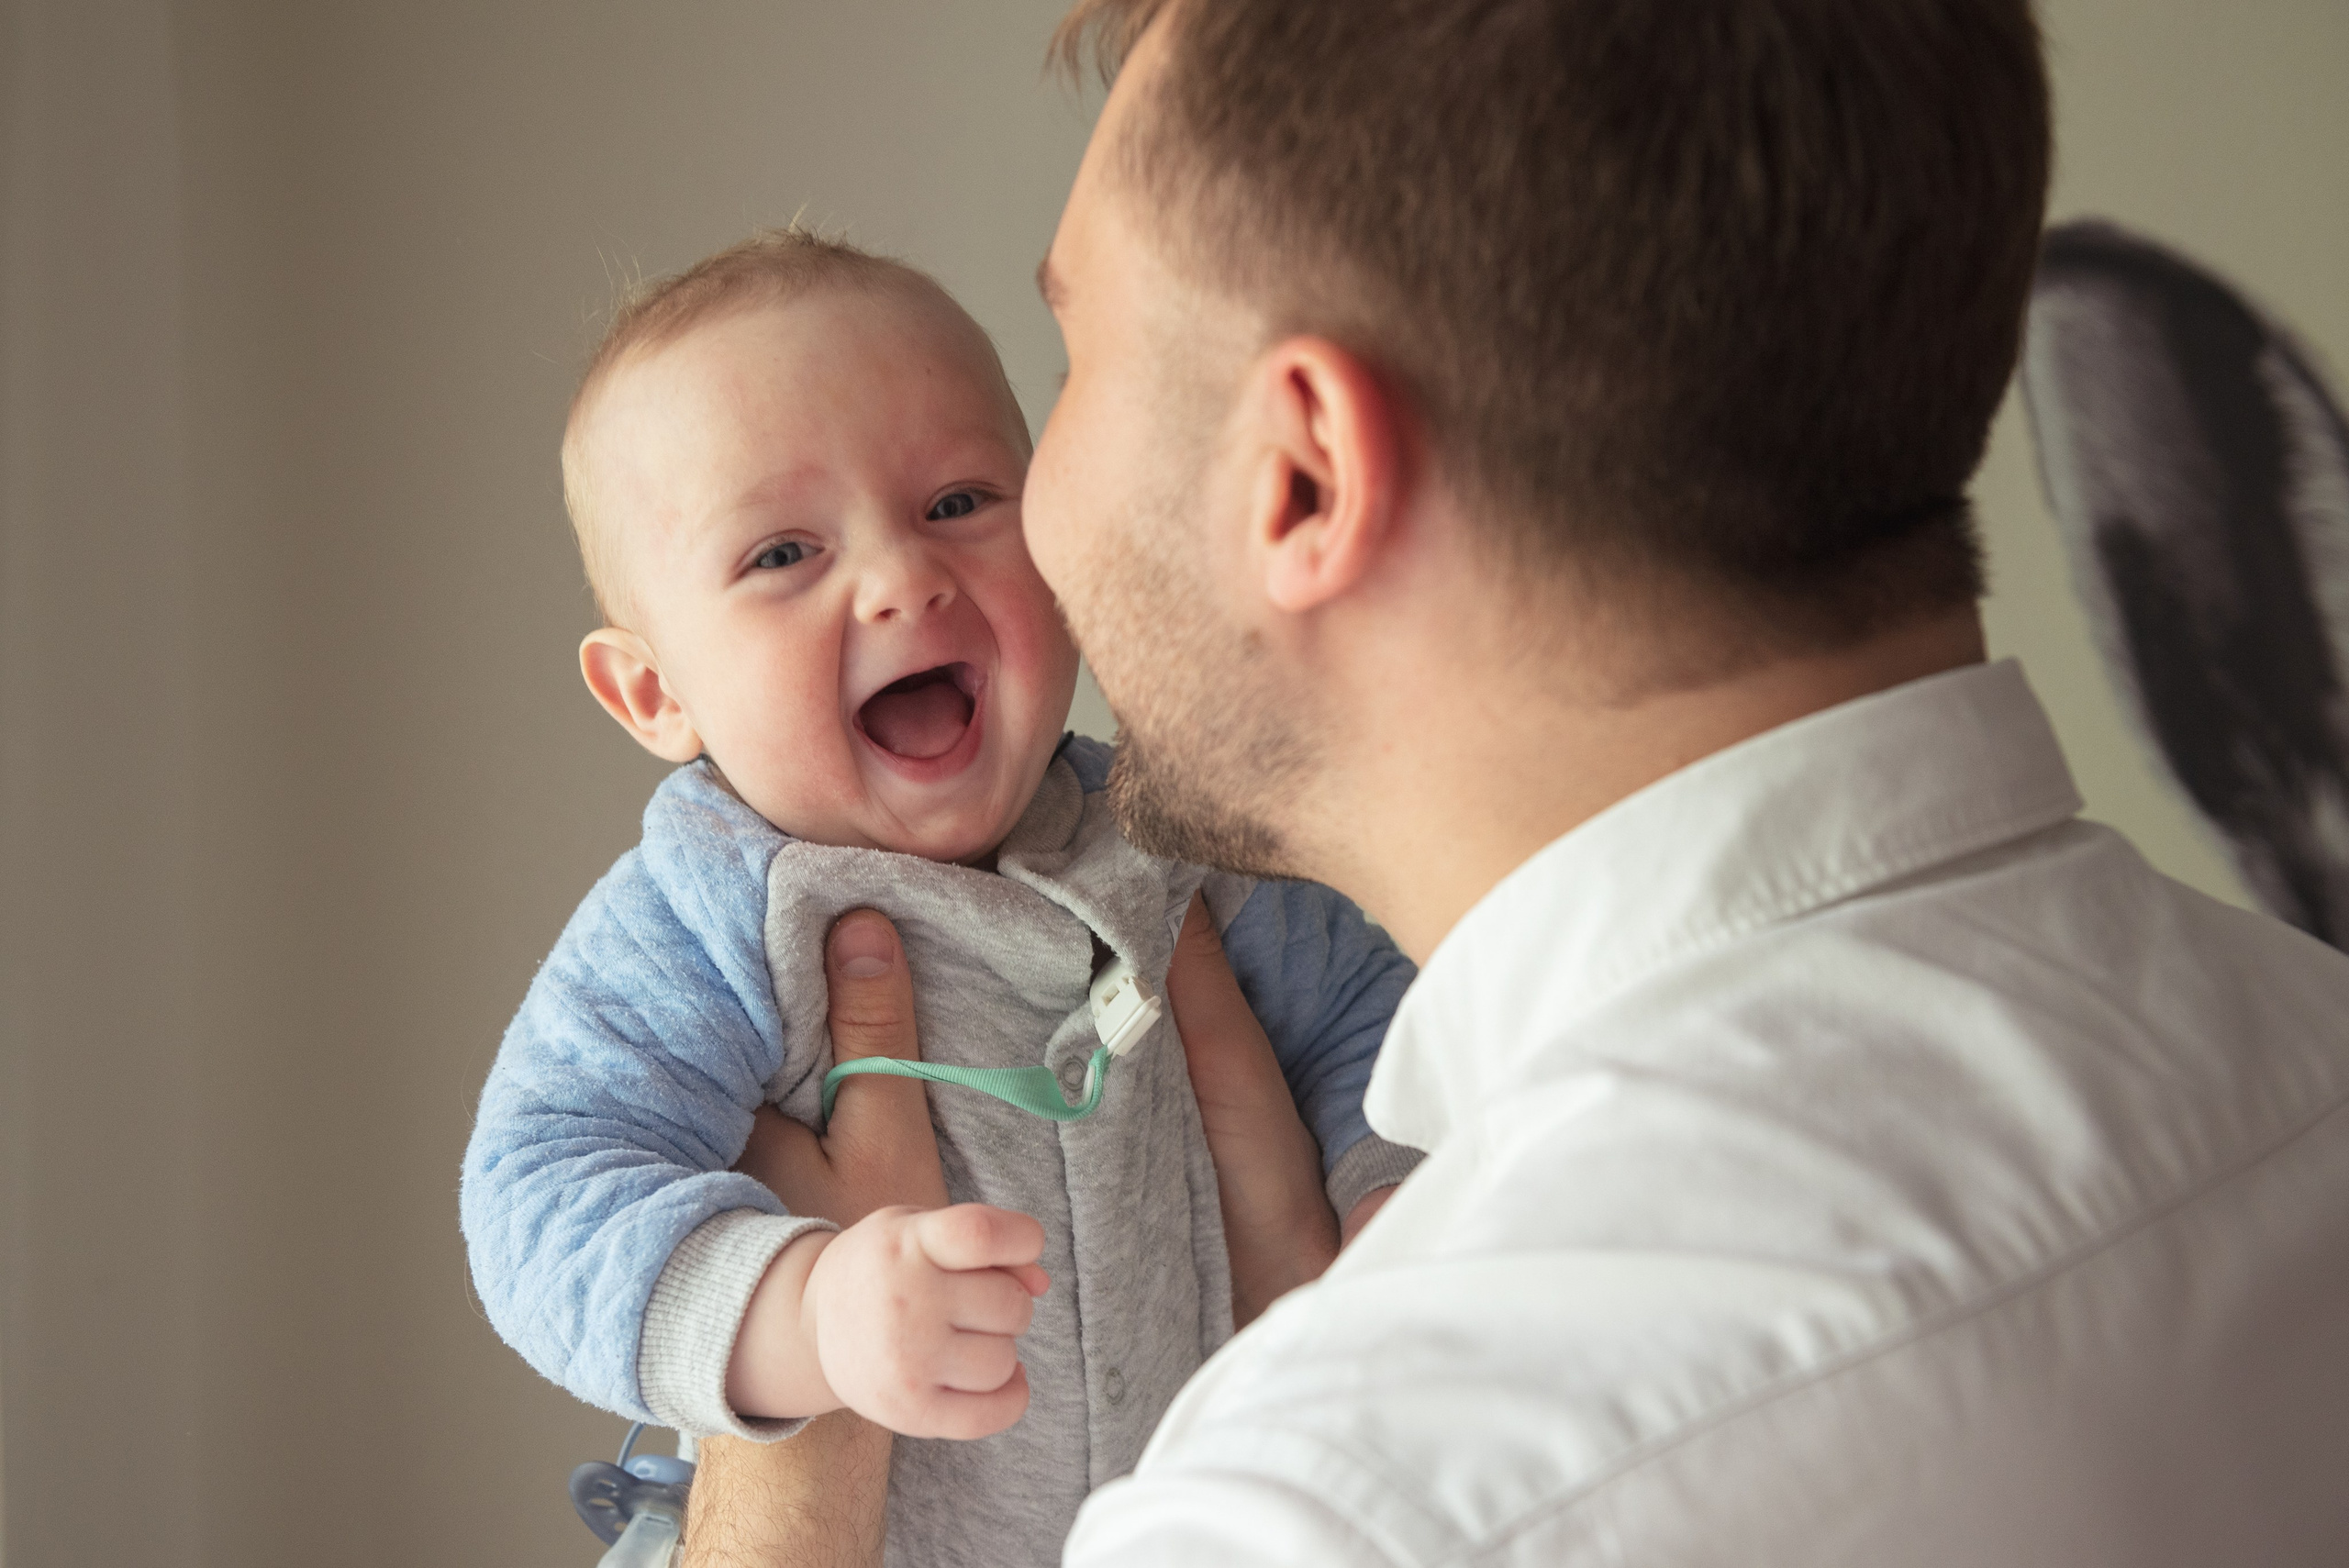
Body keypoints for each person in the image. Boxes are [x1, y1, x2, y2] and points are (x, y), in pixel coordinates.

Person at [685, 0, 2349, 1563]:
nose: (1026, 514)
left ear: (1302, 477)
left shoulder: (1344, 1508)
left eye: (1078, 363)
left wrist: (798, 1433)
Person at [457, 229, 1419, 1567]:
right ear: (654, 692)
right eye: (785, 552)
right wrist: (806, 1310)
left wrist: (1392, 1195)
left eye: (961, 502)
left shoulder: (1164, 833)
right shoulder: (708, 913)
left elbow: (1369, 1015)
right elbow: (539, 1191)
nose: (904, 578)